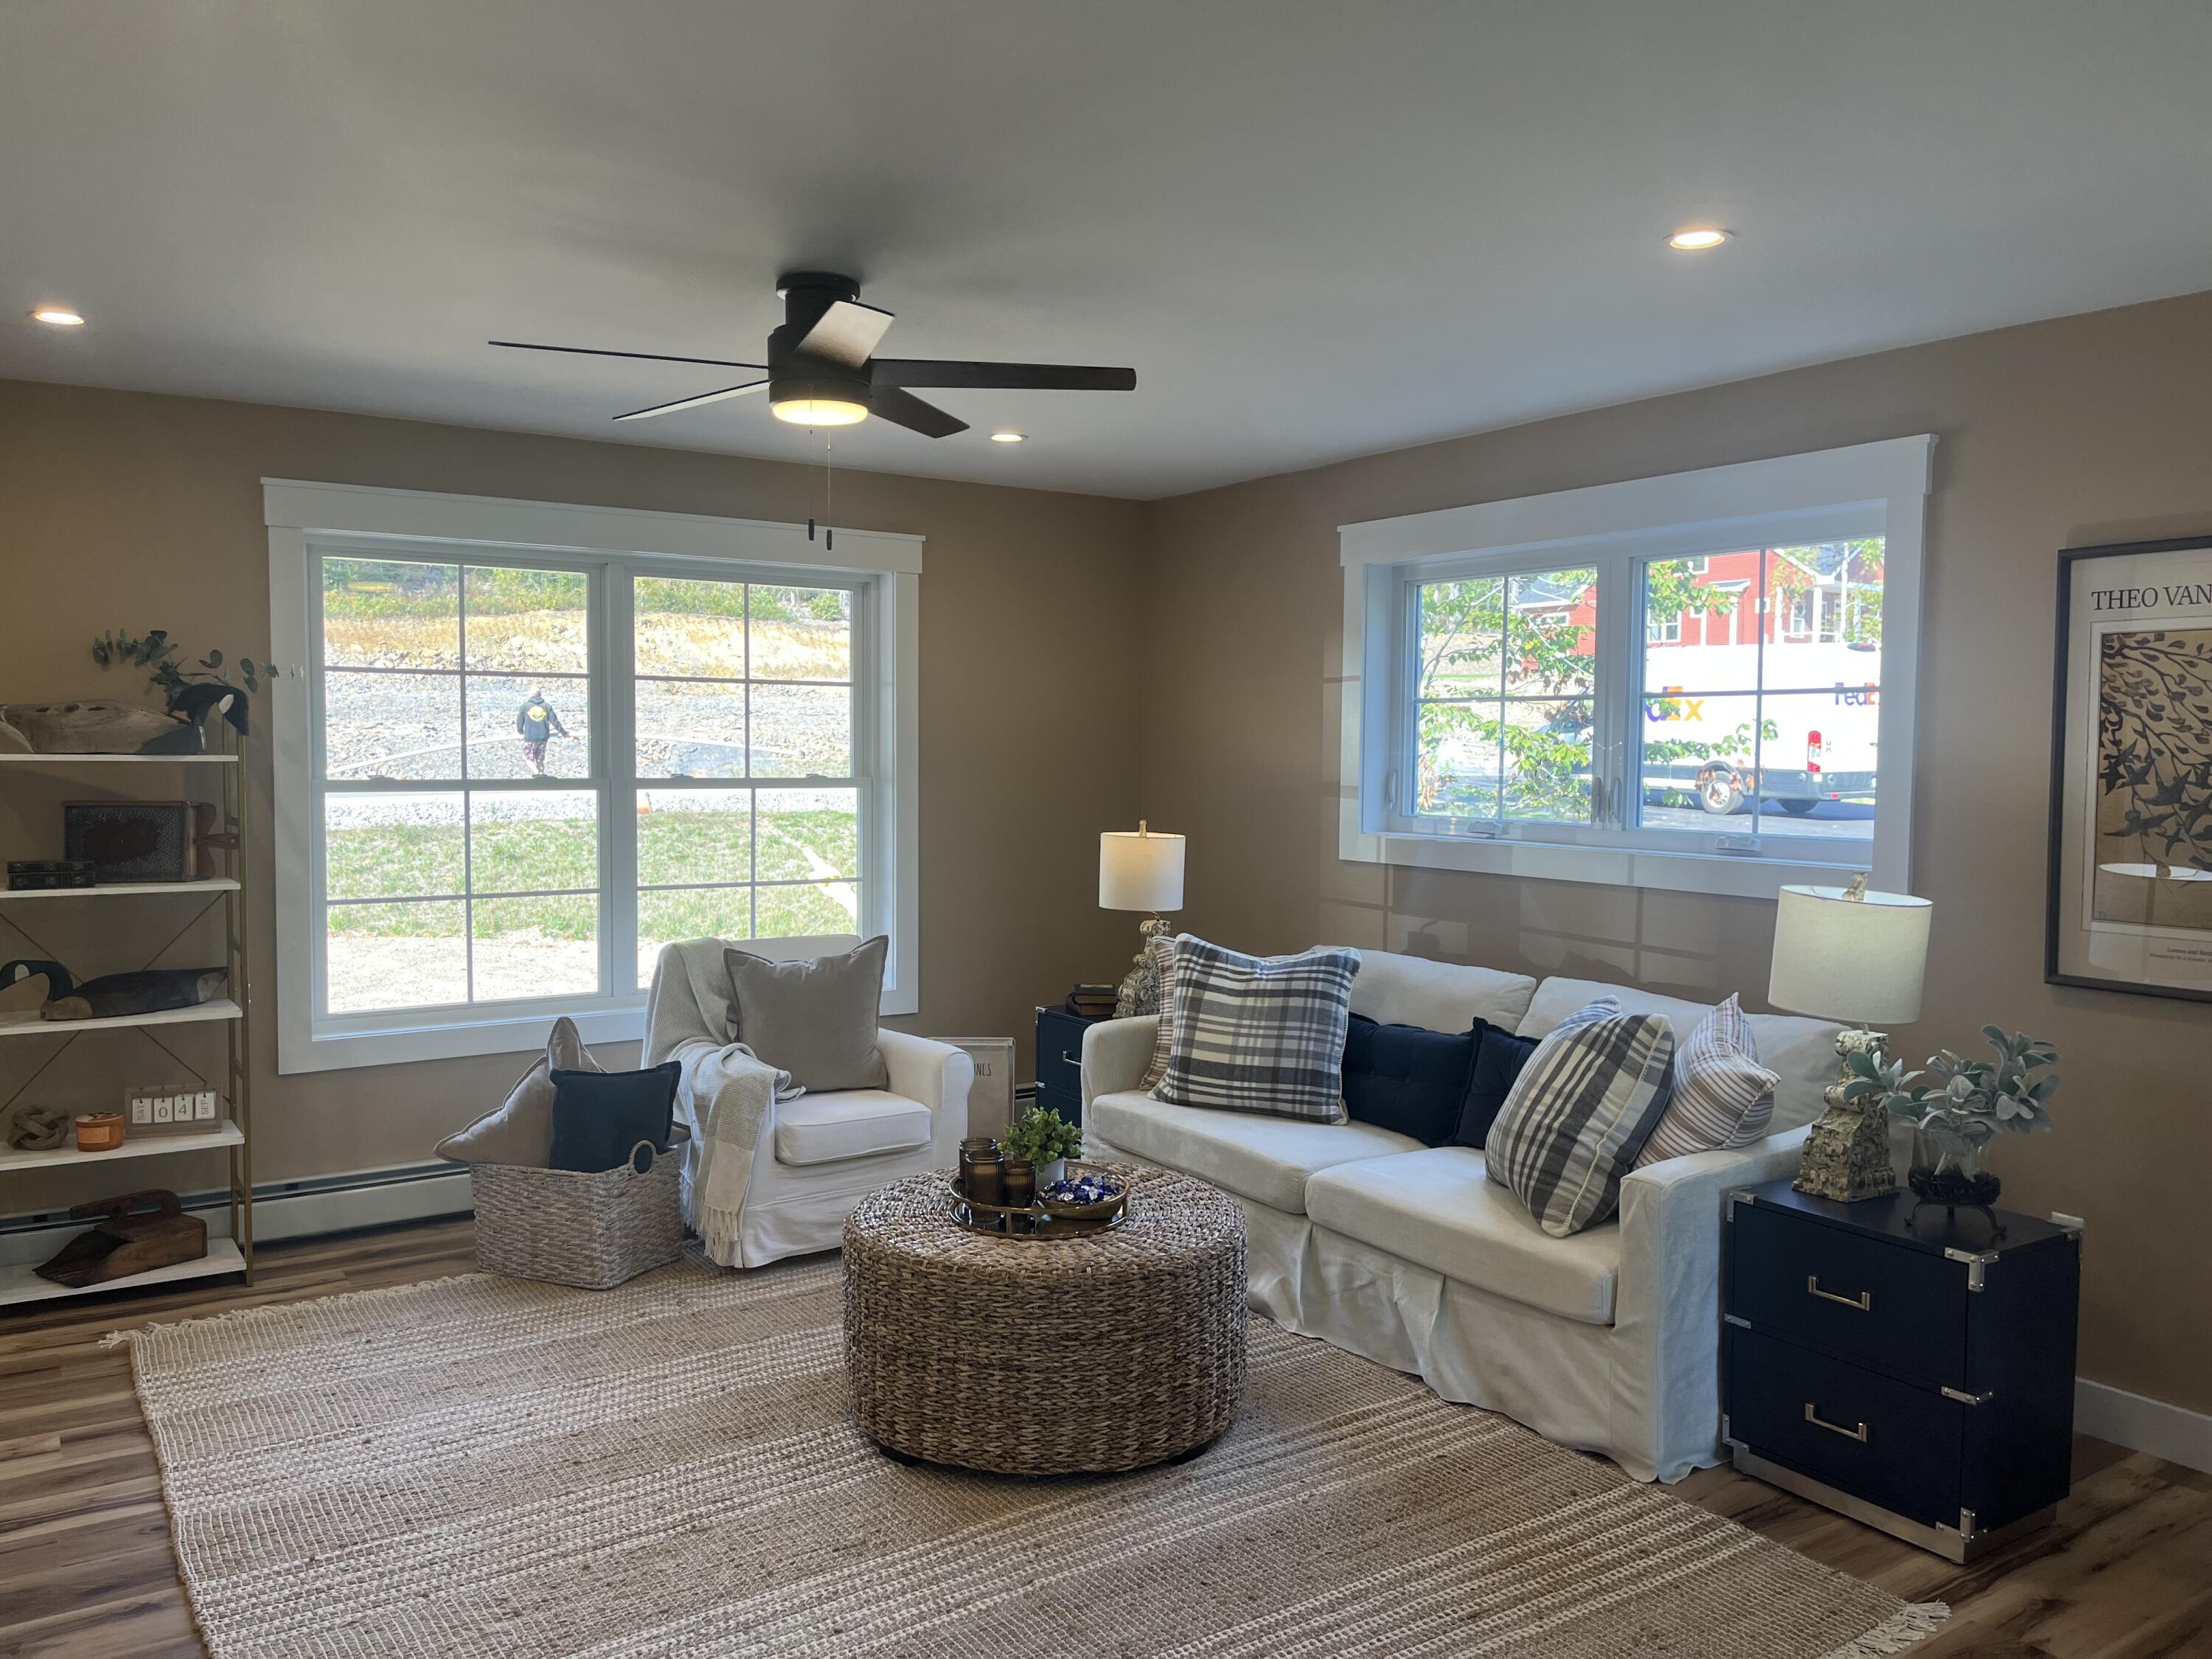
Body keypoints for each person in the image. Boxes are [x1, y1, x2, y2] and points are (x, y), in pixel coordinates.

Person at [515, 690, 570, 776]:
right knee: (539, 759)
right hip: (543, 737)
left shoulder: (525, 706)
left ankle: (537, 774)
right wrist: (564, 733)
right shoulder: (547, 706)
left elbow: (519, 722)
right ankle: (542, 775)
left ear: (530, 695)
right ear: (540, 695)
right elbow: (555, 722)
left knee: (528, 758)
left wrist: (520, 732)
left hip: (530, 737)